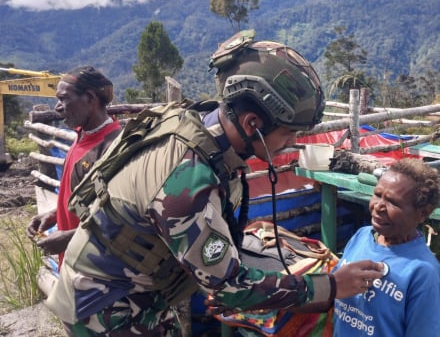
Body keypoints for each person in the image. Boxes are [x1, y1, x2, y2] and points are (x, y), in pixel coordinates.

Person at [44, 30, 383, 336]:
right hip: (105, 310)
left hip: (134, 291)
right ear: (253, 124)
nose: (291, 143)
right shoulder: (188, 179)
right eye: (289, 133)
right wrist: (332, 286)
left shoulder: (197, 125)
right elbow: (228, 288)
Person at [333, 157, 440, 336]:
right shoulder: (362, 236)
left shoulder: (423, 273)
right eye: (378, 195)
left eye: (393, 202)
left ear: (423, 213)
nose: (378, 206)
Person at [26, 66, 122, 269]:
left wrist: (69, 237)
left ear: (89, 97)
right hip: (75, 266)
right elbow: (86, 200)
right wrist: (54, 214)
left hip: (97, 273)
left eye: (64, 99)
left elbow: (119, 219)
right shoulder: (82, 136)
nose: (58, 107)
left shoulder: (113, 148)